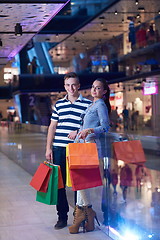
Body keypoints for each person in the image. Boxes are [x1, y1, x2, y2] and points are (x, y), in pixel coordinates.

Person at [45, 72, 91, 230]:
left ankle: (79, 216)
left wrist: (78, 131)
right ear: (64, 87)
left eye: (74, 85)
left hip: (78, 149)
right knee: (60, 185)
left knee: (79, 185)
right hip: (59, 148)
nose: (71, 88)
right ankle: (62, 217)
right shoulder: (59, 104)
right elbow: (52, 127)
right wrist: (48, 148)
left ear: (79, 86)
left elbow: (89, 127)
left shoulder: (87, 104)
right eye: (68, 85)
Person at [68, 78, 111, 234]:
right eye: (93, 87)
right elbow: (85, 126)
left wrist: (90, 130)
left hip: (91, 146)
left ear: (104, 91)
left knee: (81, 180)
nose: (94, 90)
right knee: (80, 180)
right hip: (83, 144)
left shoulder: (100, 105)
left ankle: (84, 213)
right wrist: (78, 133)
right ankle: (87, 215)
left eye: (98, 88)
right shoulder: (92, 104)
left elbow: (105, 127)